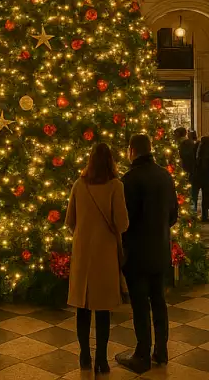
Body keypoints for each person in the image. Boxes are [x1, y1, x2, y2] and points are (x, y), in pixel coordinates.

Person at [116, 133, 178, 374]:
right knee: (159, 301)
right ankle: (161, 350)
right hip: (161, 249)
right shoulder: (164, 175)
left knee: (140, 305)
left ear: (131, 151)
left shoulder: (129, 180)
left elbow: (125, 219)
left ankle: (142, 354)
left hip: (137, 254)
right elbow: (173, 214)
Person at [66, 143, 129, 375]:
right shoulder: (115, 186)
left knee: (82, 307)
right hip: (105, 254)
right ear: (111, 161)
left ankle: (84, 354)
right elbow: (122, 224)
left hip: (83, 253)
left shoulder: (79, 185)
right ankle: (101, 359)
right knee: (103, 310)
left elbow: (70, 220)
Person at [194, 127, 209, 221]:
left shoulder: (201, 144)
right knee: (207, 195)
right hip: (207, 174)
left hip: (201, 173)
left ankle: (203, 214)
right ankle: (205, 215)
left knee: (204, 195)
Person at [175, 127, 198, 213]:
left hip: (187, 169)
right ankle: (191, 207)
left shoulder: (185, 144)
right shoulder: (189, 143)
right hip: (189, 170)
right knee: (190, 190)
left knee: (189, 190)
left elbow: (186, 157)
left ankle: (190, 208)